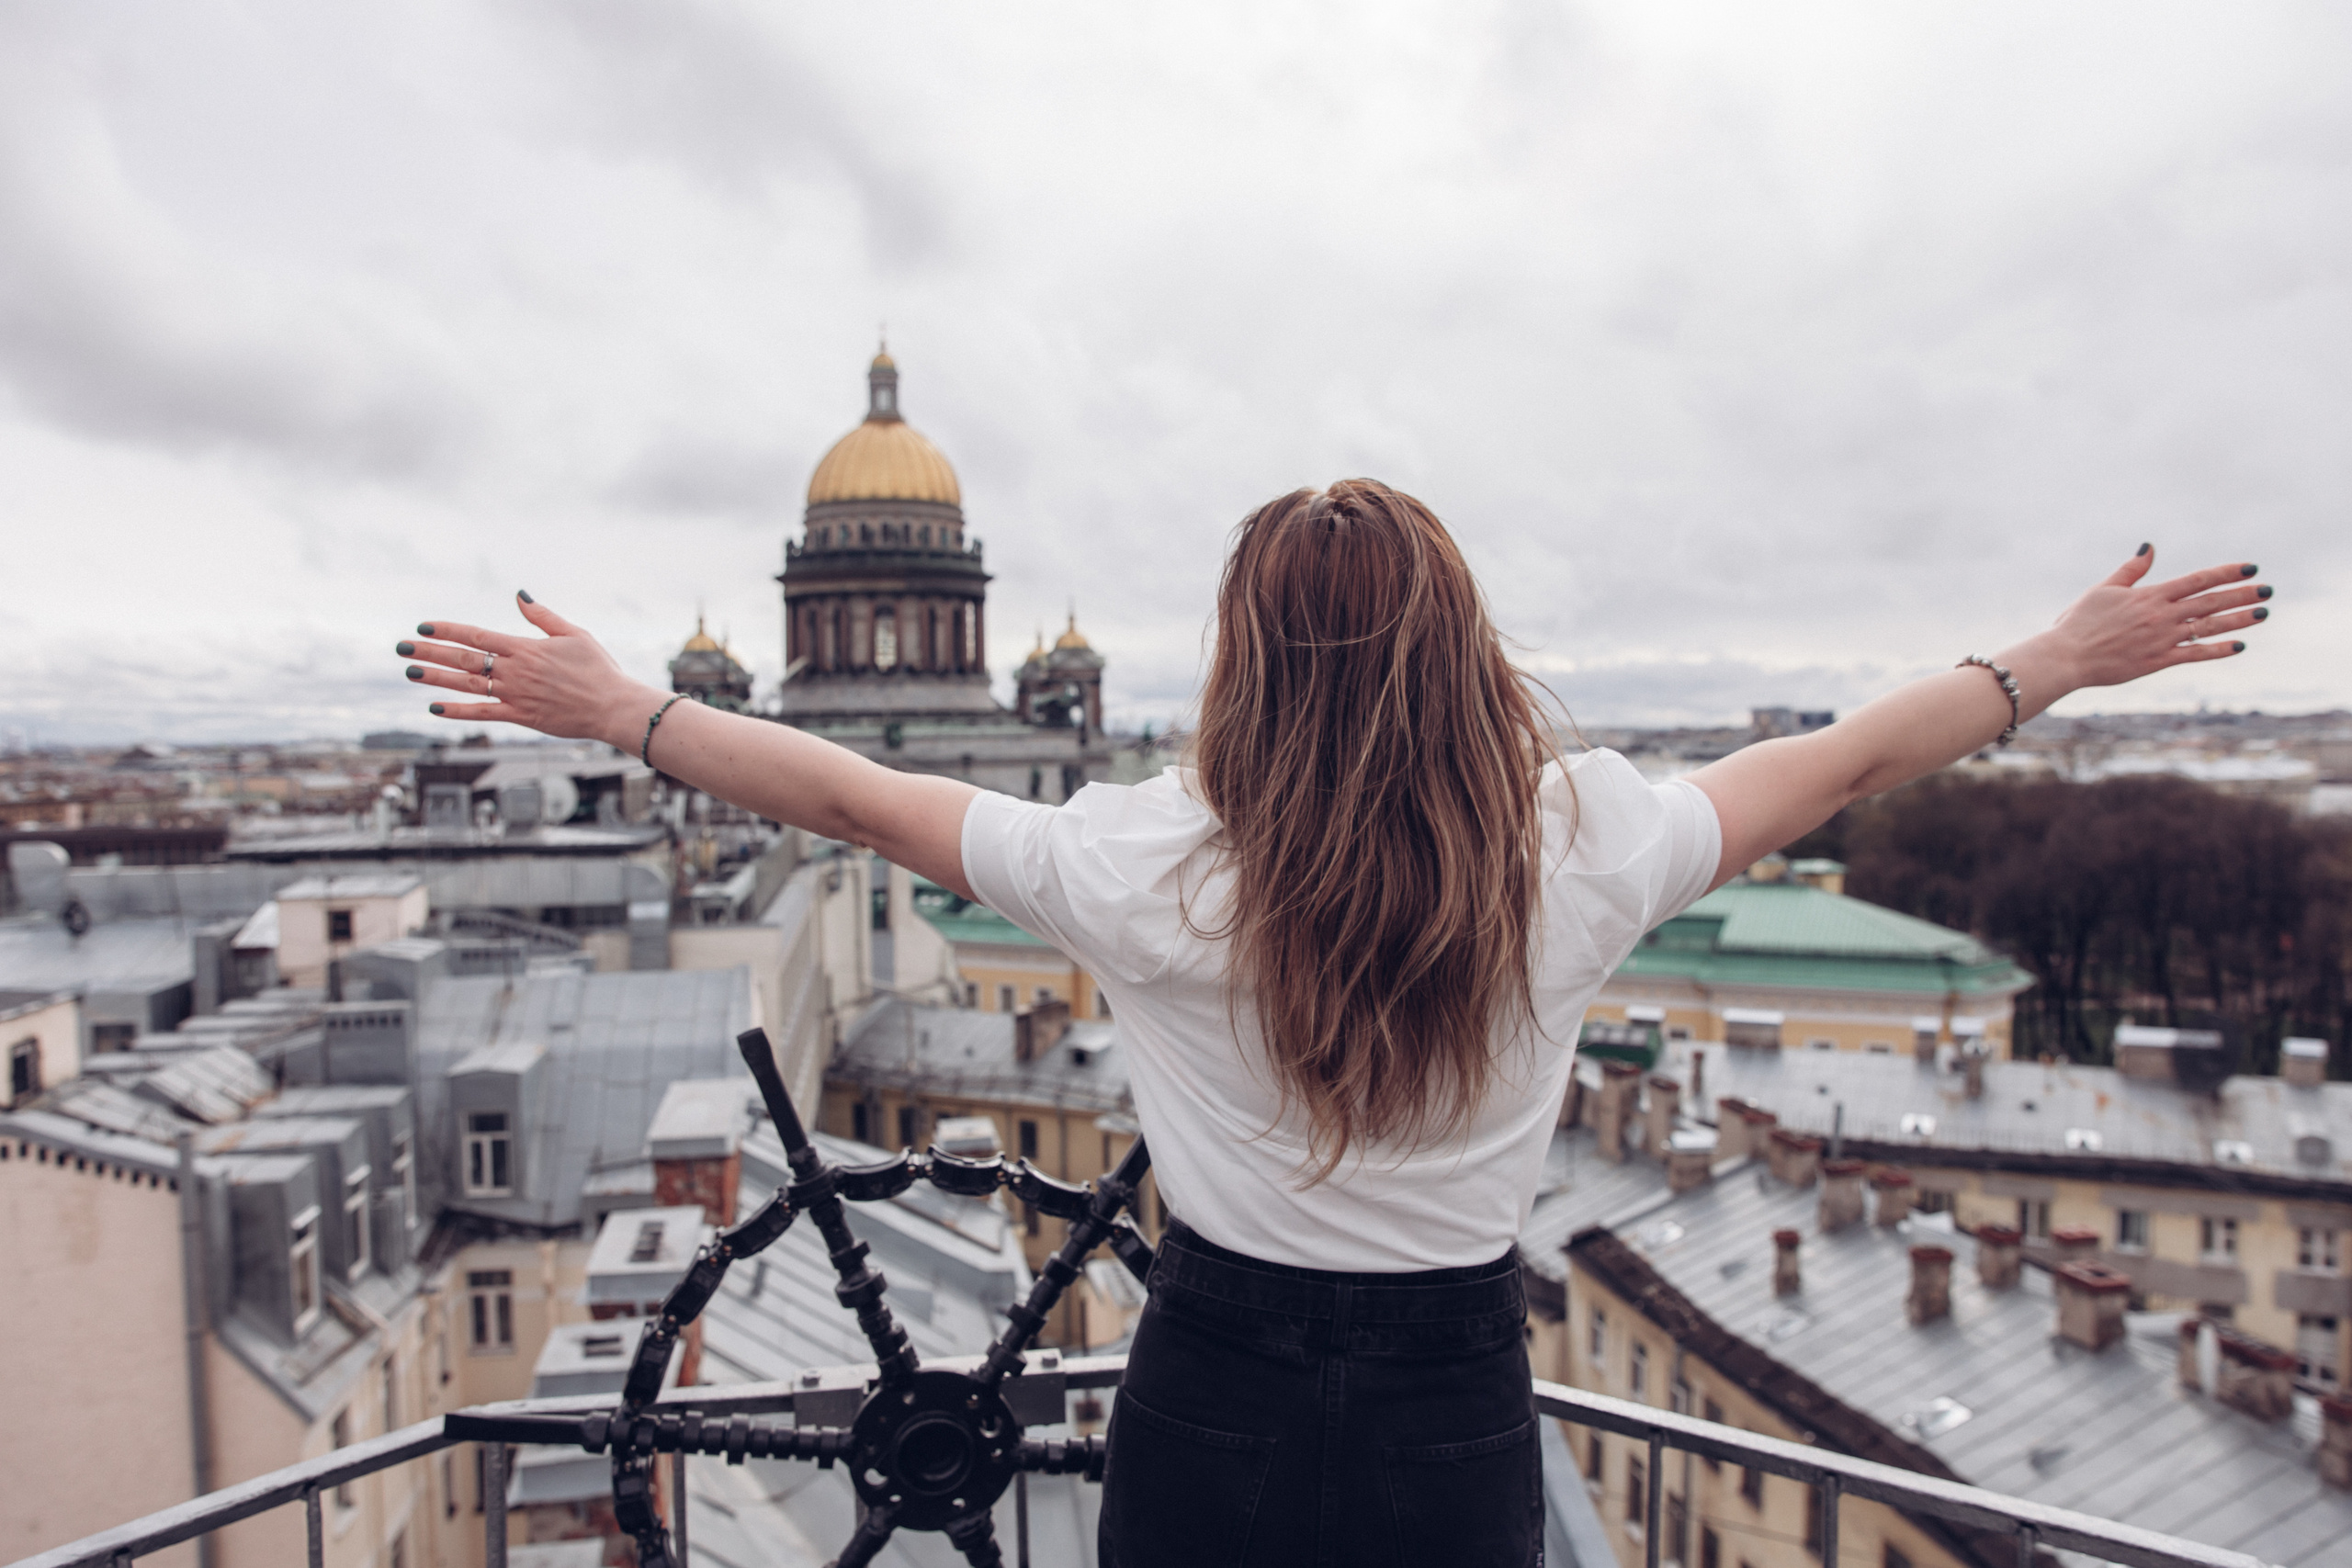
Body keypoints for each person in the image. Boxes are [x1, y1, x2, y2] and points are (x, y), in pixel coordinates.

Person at [395, 479, 2267, 1565]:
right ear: (1460, 642)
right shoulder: (1579, 845)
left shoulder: (1145, 863)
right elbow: (1854, 750)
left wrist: (621, 707)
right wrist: (2055, 658)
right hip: (1455, 1374)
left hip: (1208, 1371)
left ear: (1236, 659)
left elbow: (847, 802)